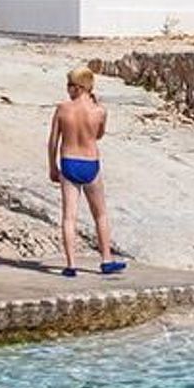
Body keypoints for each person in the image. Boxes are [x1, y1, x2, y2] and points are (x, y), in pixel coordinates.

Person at [48, 65, 125, 277]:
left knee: (69, 217)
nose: (67, 89)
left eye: (70, 85)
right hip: (90, 162)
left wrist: (52, 166)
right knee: (100, 213)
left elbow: (53, 141)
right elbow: (98, 135)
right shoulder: (99, 111)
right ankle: (106, 259)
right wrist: (98, 111)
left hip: (69, 161)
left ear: (79, 87)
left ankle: (71, 265)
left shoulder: (63, 109)